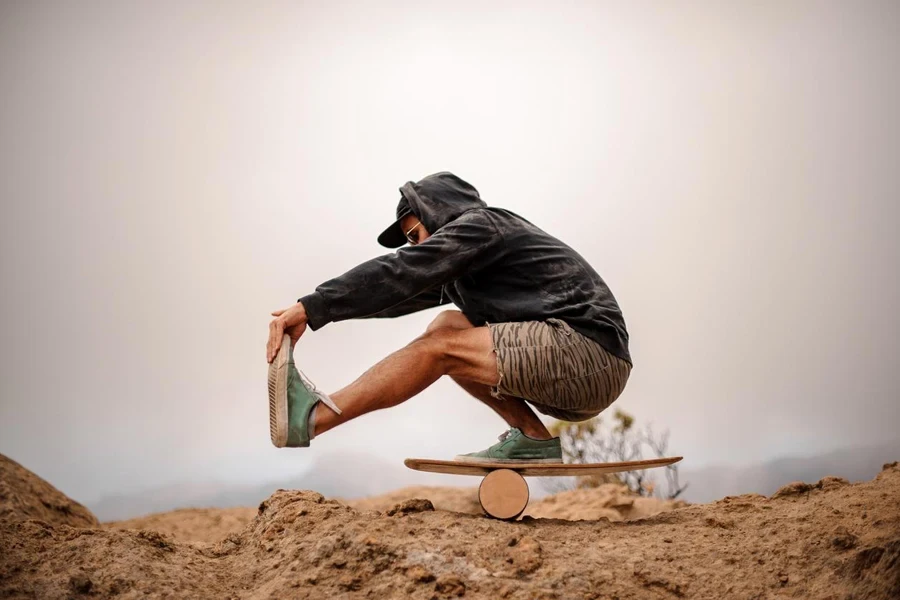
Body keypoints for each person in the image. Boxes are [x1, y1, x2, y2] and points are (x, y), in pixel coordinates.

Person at [266, 172, 632, 464]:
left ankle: (314, 418)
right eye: (408, 241)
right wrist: (319, 314)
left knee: (441, 348)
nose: (415, 246)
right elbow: (392, 294)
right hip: (575, 369)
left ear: (438, 211)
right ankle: (533, 439)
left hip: (590, 352)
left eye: (415, 233)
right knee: (447, 326)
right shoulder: (467, 267)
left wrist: (312, 306)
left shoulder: (481, 226)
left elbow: (400, 273)